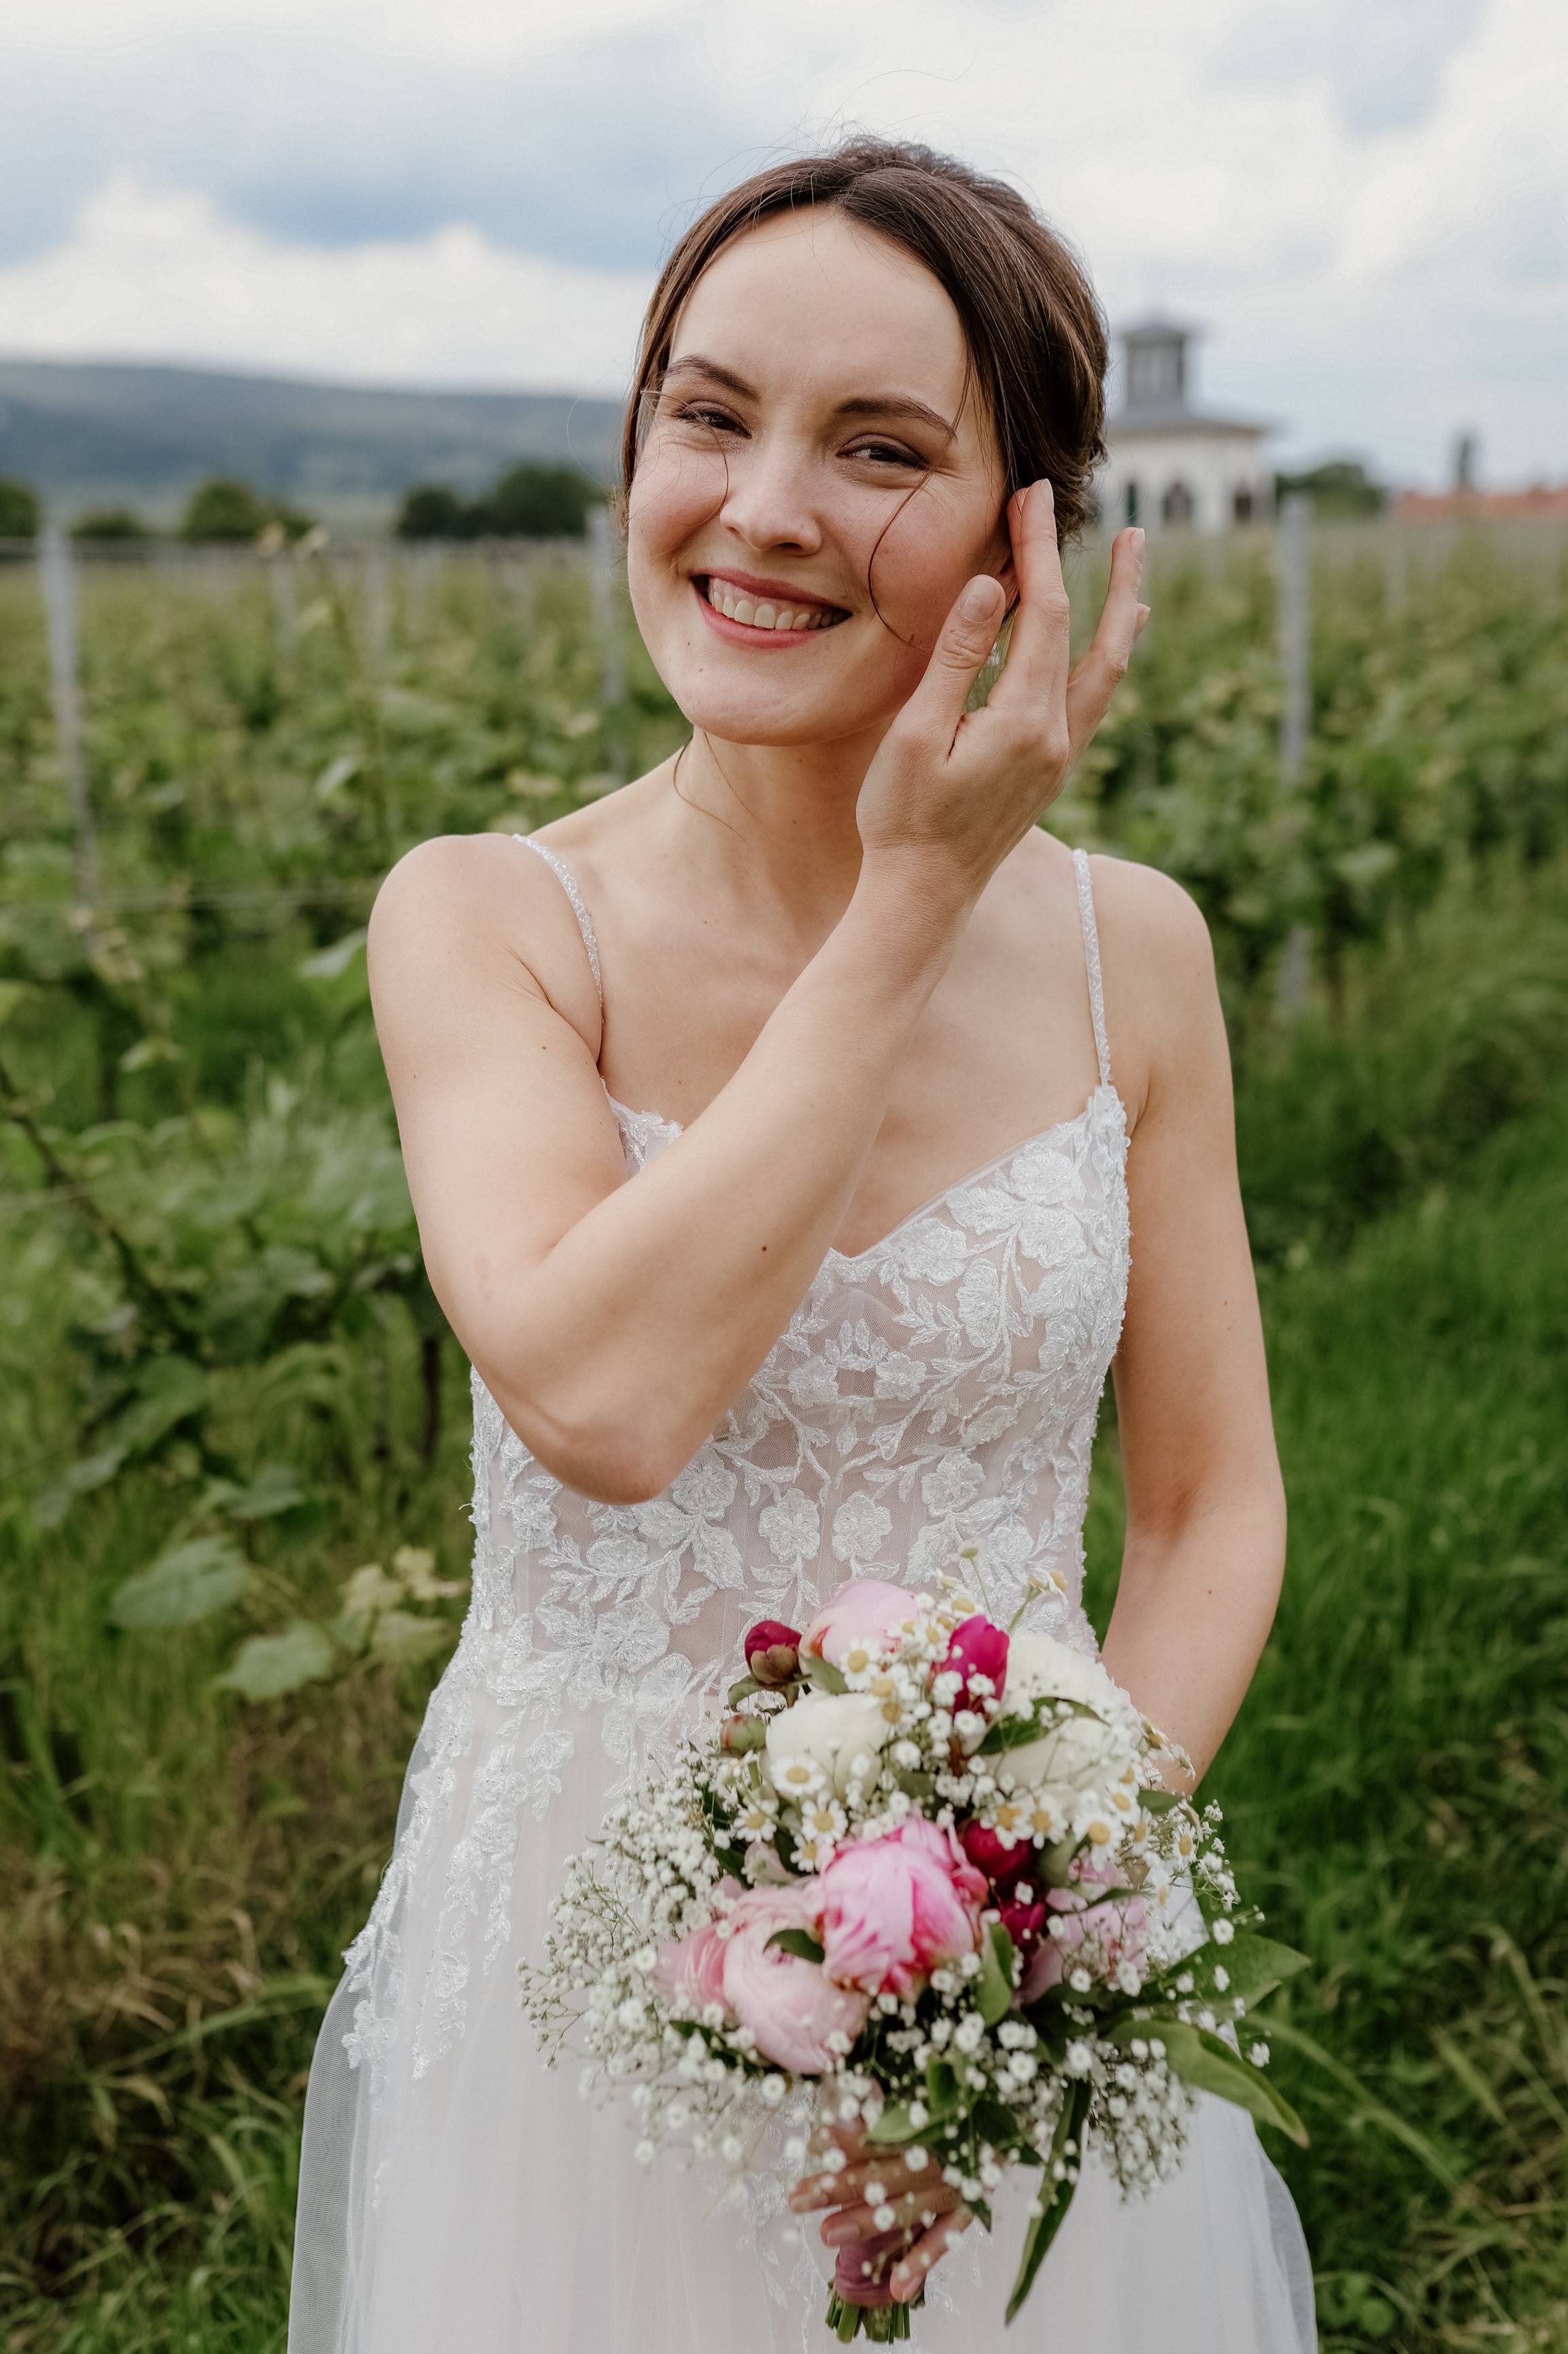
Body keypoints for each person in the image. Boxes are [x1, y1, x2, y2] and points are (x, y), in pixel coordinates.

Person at [288, 139, 1316, 2353]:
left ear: (1017, 531)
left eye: (879, 450)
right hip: (570, 1943)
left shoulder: (1136, 952)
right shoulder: (483, 919)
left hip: (1003, 1940)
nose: (761, 509)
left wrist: (1010, 1931)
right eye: (706, 412)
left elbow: (1208, 1507)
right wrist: (912, 897)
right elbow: (607, 1402)